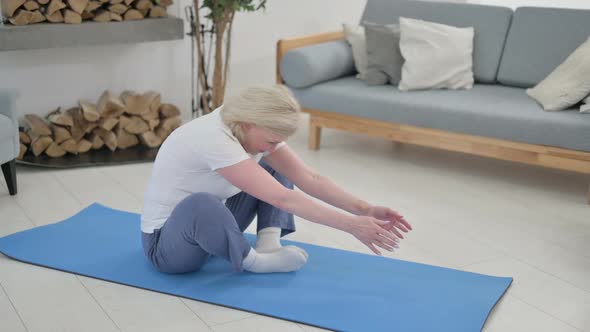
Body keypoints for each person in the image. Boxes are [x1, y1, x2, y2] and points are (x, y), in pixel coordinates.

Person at [140, 85, 412, 274]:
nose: (273, 146)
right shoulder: (212, 137)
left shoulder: (247, 123)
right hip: (168, 247)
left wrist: (364, 210)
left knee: (272, 166)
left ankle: (269, 243)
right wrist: (352, 226)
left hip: (211, 233)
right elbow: (283, 198)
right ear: (249, 124)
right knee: (202, 203)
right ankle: (255, 263)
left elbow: (309, 177)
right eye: (271, 140)